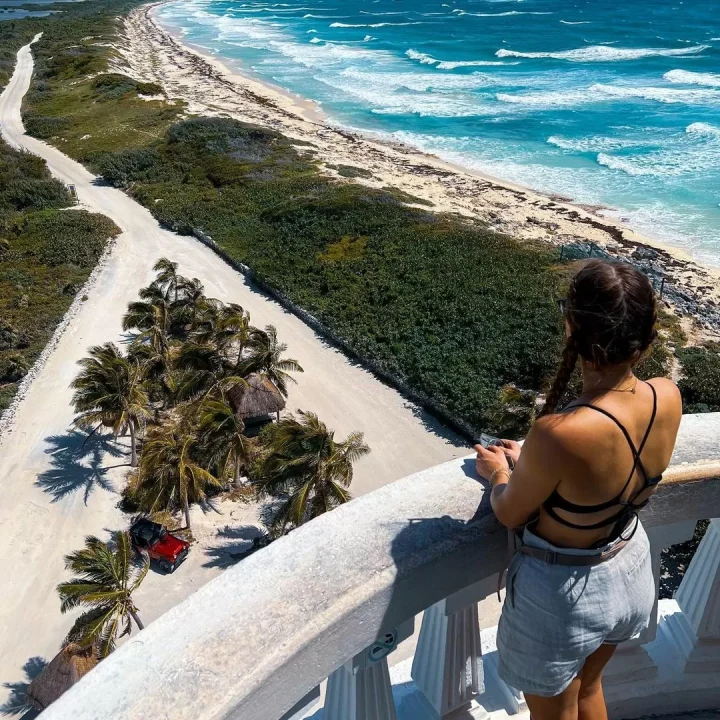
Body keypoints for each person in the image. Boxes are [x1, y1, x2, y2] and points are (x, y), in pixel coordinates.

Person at [475, 259, 682, 720]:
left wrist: (498, 474)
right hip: (627, 570)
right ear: (647, 339)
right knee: (589, 692)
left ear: (571, 326)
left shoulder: (558, 434)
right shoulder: (668, 394)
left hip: (563, 597)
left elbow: (509, 513)